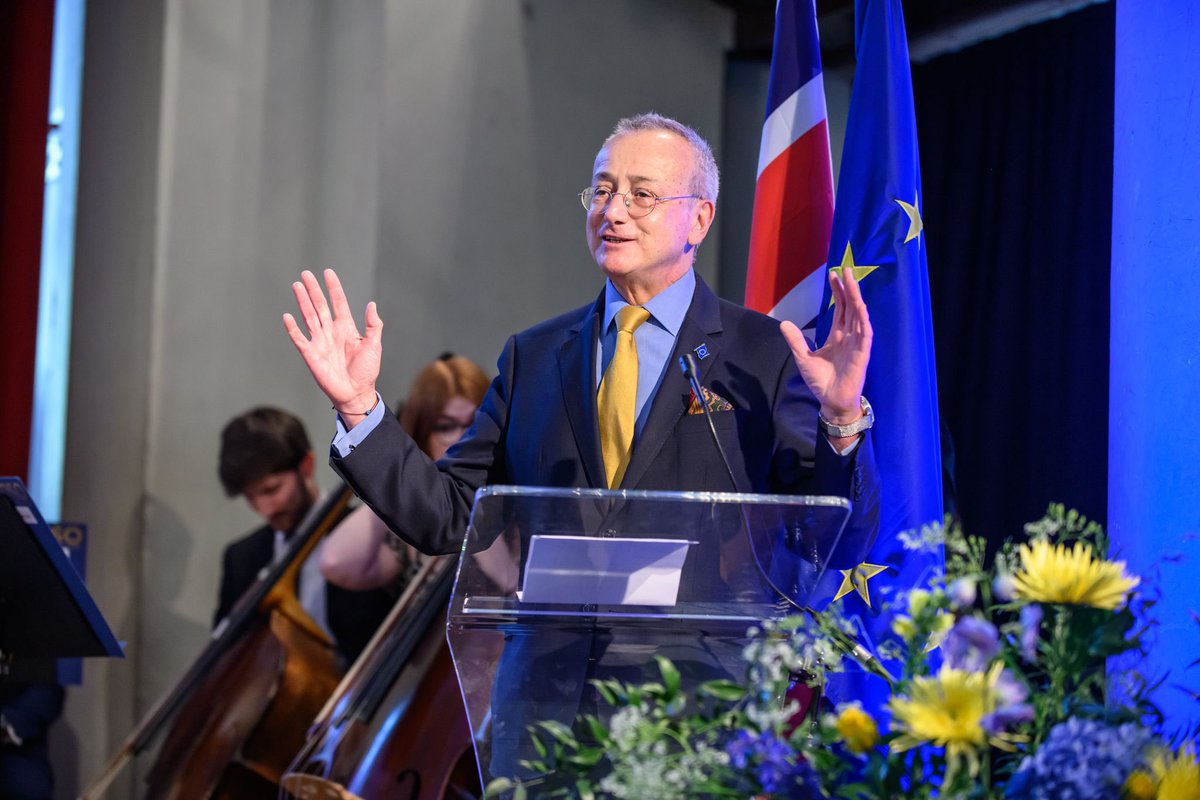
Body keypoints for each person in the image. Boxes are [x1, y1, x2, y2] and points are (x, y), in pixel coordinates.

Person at [283, 112, 881, 776]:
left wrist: (841, 416)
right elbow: (448, 515)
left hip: (694, 712)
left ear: (700, 219)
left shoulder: (760, 353)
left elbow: (830, 535)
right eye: (601, 190)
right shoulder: (535, 356)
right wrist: (359, 408)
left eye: (641, 195)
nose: (613, 211)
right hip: (543, 713)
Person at [215, 407, 394, 665]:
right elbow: (227, 661)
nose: (265, 509)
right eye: (251, 497)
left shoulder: (364, 538)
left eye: (271, 490)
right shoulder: (240, 558)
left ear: (306, 466)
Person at [318, 354, 490, 590]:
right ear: (421, 432)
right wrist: (402, 480)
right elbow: (335, 563)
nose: (462, 437)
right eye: (446, 427)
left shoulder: (511, 507)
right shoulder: (419, 523)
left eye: (474, 423)